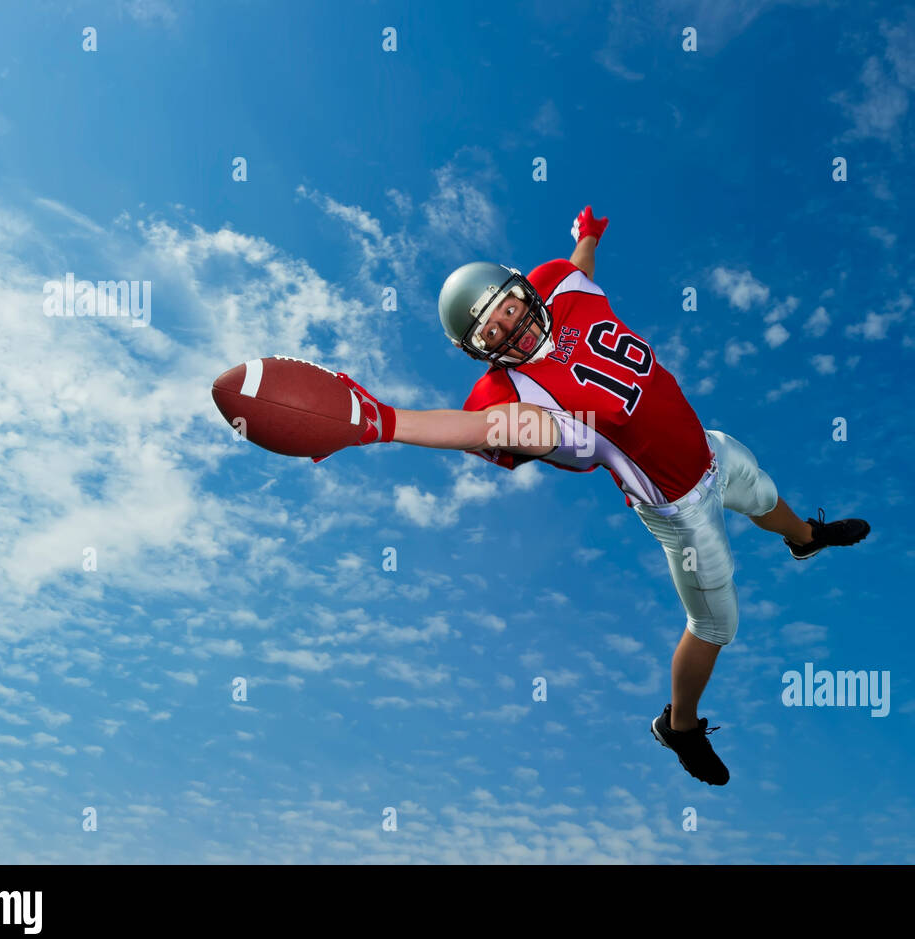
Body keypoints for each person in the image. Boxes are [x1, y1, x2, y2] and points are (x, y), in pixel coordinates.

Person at [329, 206, 870, 785]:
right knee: (716, 625)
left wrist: (586, 237)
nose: (510, 328)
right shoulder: (519, 397)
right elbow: (477, 429)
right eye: (491, 332)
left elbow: (578, 270)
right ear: (480, 352)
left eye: (508, 309)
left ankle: (806, 540)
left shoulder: (561, 284)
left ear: (522, 289)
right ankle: (679, 727)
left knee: (763, 492)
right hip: (680, 511)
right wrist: (385, 422)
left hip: (709, 448)